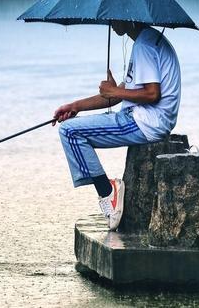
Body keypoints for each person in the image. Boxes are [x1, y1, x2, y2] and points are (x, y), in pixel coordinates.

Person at [52, 21, 181, 230]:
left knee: (70, 131)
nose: (111, 22)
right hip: (144, 119)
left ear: (130, 18)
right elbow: (119, 95)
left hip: (145, 122)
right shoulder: (147, 40)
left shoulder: (144, 45)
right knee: (71, 128)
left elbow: (152, 94)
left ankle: (108, 191)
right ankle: (108, 191)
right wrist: (75, 106)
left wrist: (115, 92)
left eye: (116, 17)